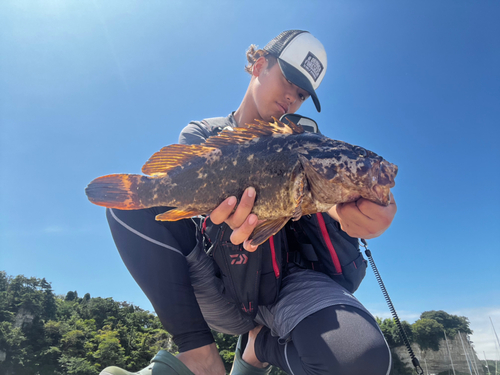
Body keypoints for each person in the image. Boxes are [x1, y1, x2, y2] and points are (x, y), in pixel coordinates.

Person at [101, 30, 397, 375]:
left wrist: (363, 213)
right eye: (289, 80)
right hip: (226, 284)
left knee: (363, 363)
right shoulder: (201, 135)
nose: (292, 98)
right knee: (130, 203)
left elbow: (327, 199)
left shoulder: (309, 143)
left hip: (292, 286)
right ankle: (200, 356)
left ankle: (259, 349)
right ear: (259, 65)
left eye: (302, 94)